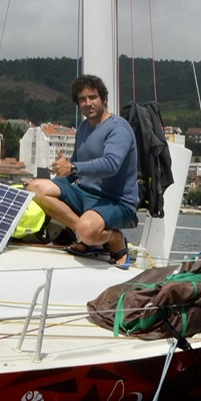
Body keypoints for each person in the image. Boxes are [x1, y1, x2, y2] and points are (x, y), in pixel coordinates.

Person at [27, 74, 138, 264]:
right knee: (35, 188)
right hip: (85, 194)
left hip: (117, 202)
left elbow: (111, 164)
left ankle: (113, 238)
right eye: (82, 99)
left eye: (93, 97)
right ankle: (84, 234)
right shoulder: (84, 128)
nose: (88, 103)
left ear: (104, 99)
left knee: (88, 231)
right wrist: (60, 178)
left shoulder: (118, 128)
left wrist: (72, 168)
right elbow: (75, 169)